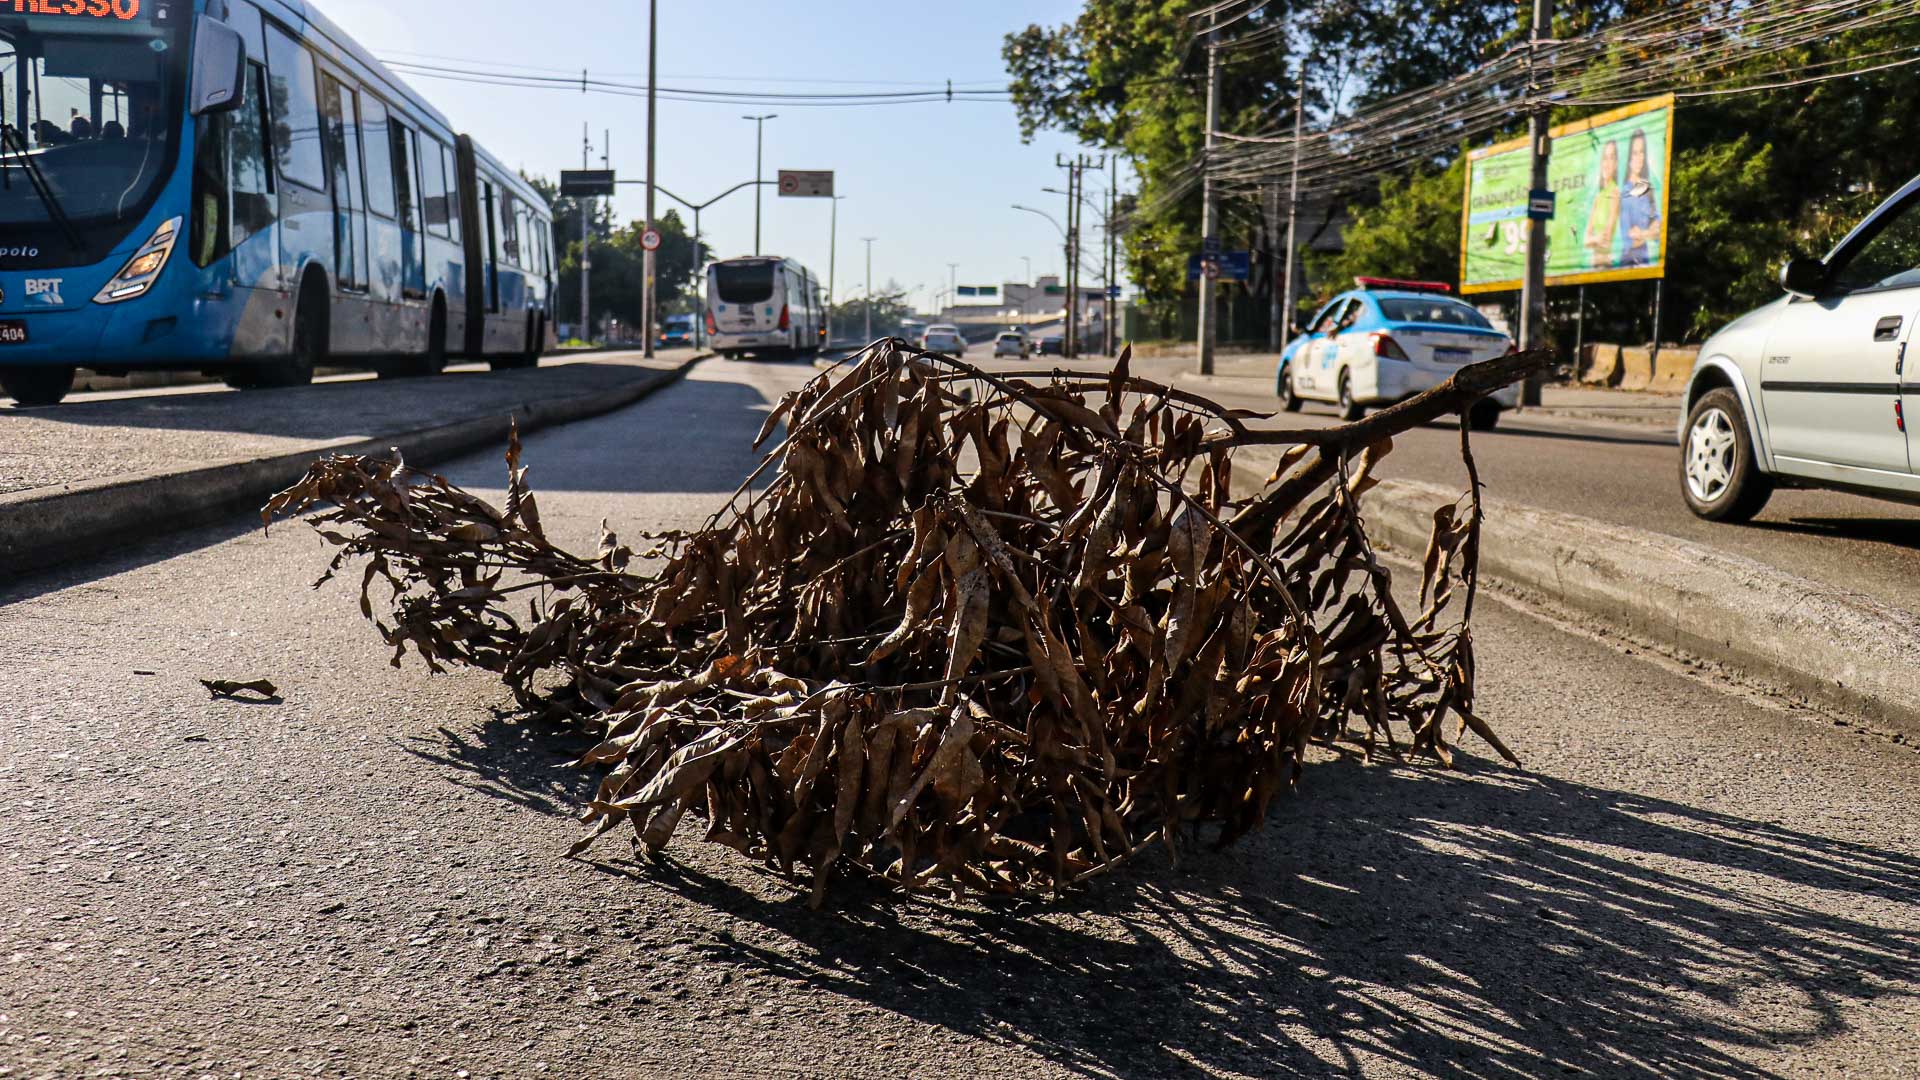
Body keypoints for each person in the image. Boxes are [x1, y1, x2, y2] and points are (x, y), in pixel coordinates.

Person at [1619, 130, 1663, 268]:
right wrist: (1649, 233)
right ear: (1629, 157)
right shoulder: (1625, 193)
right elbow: (1630, 239)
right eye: (1635, 153)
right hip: (1628, 263)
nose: (1639, 157)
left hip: (1645, 262)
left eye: (1642, 152)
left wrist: (1643, 234)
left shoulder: (1647, 188)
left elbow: (1659, 230)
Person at [1584, 140, 1621, 269]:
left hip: (1605, 265)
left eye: (1611, 158)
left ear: (1616, 164)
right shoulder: (1598, 197)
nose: (1607, 163)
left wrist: (1592, 239)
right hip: (1593, 265)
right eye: (1605, 158)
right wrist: (1595, 239)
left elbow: (1606, 239)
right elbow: (1585, 240)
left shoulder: (1615, 192)